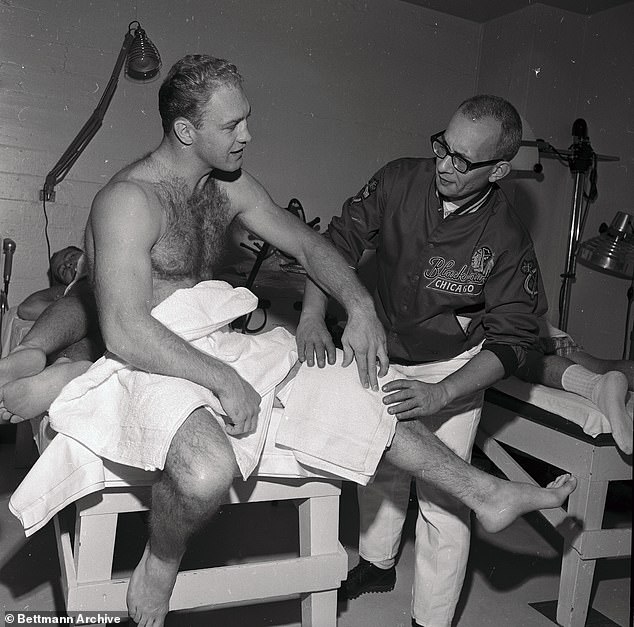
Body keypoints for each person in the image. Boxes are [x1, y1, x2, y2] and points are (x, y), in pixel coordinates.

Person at [5, 61, 575, 627]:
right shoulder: (129, 201)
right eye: (233, 126)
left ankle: (486, 493)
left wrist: (359, 306)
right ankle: (160, 558)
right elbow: (126, 330)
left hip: (213, 342)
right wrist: (223, 381)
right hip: (148, 356)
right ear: (186, 131)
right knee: (205, 473)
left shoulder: (229, 188)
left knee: (361, 392)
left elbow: (310, 246)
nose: (248, 136)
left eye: (246, 120)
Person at [296, 95, 551, 627]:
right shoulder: (397, 181)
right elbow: (334, 246)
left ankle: (430, 619)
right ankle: (378, 563)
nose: (445, 166)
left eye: (463, 160)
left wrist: (442, 394)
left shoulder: (504, 236)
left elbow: (515, 341)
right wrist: (313, 316)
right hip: (383, 347)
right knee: (379, 462)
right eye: (442, 147)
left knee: (445, 495)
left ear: (499, 169)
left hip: (450, 368)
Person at [516, 318, 633, 454]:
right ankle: (605, 382)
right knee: (600, 365)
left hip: (515, 338)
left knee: (535, 363)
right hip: (548, 332)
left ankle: (595, 385)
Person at [16, 246, 85, 321]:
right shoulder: (77, 296)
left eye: (72, 256)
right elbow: (26, 309)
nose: (68, 264)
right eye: (63, 271)